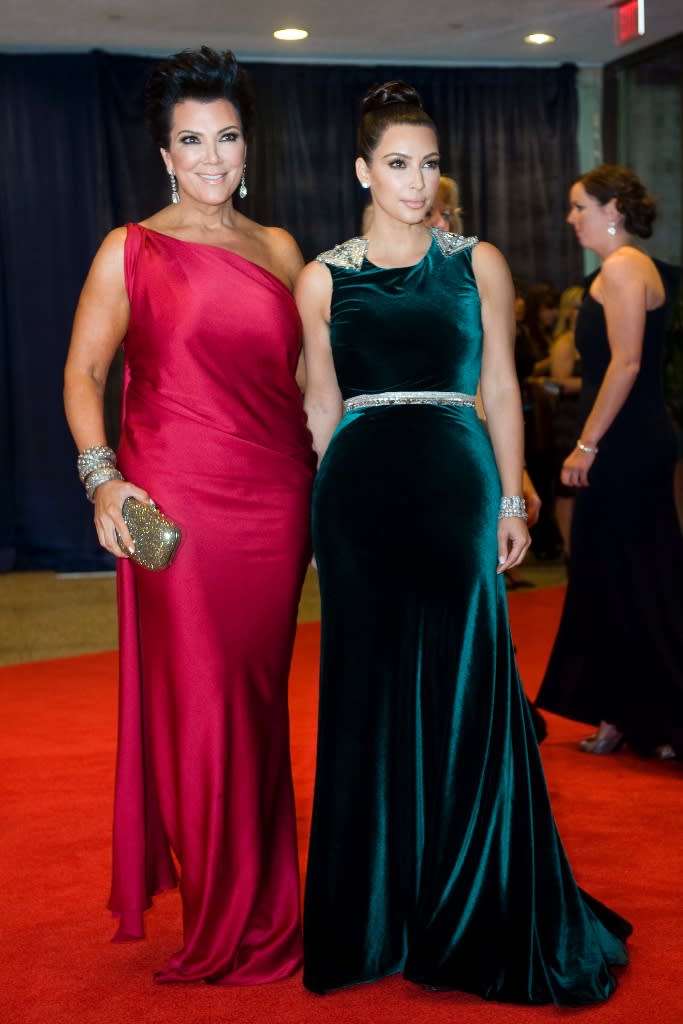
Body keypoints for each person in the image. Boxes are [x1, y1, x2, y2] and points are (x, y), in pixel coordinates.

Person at [297, 80, 630, 1005]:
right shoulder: (322, 277)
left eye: (429, 163)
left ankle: (470, 900)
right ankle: (374, 916)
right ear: (361, 170)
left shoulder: (475, 261)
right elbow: (321, 403)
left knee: (466, 687)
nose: (417, 182)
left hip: (454, 485)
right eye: (397, 165)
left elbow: (498, 387)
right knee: (366, 701)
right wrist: (323, 525)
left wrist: (512, 500)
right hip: (358, 497)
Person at [63, 46, 315, 983]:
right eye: (192, 141)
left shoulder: (282, 249)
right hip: (177, 504)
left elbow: (303, 383)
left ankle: (271, 897)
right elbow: (84, 372)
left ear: (249, 144)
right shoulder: (130, 247)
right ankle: (224, 915)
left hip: (275, 502)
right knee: (204, 704)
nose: (213, 157)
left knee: (255, 702)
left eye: (228, 137)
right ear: (166, 152)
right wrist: (102, 479)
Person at [536, 164, 683, 758]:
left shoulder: (623, 268)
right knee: (619, 575)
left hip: (624, 445)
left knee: (631, 576)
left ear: (612, 208)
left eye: (579, 207)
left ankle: (659, 716)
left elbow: (625, 366)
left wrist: (586, 444)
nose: (571, 218)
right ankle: (631, 713)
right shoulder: (625, 269)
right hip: (633, 441)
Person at [545, 285, 584, 556]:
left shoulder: (593, 339)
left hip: (586, 415)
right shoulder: (565, 343)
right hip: (569, 419)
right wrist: (596, 383)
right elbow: (556, 383)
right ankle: (571, 550)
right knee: (567, 487)